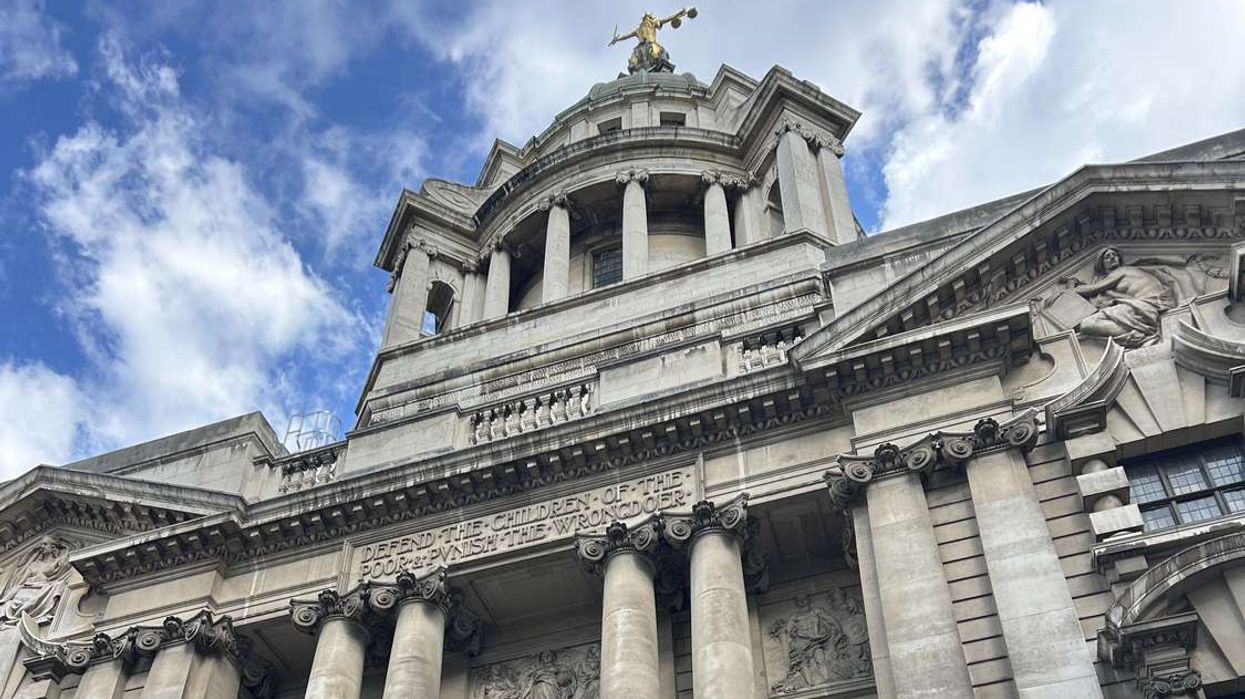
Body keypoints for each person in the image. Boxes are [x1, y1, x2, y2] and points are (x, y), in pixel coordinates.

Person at [1065, 247, 1176, 348]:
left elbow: (1094, 289)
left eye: (1114, 255)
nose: (1112, 258)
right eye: (1107, 257)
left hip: (1143, 306)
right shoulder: (1123, 277)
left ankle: (1137, 337)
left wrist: (1069, 290)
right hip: (1145, 306)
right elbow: (1103, 298)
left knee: (1087, 324)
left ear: (1119, 258)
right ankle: (1136, 332)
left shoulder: (1122, 270)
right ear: (1102, 264)